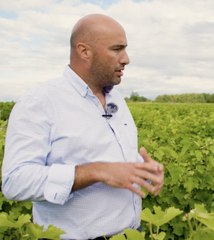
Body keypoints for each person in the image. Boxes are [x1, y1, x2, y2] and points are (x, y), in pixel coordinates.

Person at [1, 14, 164, 239]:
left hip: (131, 233)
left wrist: (144, 172)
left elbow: (111, 160)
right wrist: (95, 172)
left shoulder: (117, 98)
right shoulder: (40, 101)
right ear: (84, 51)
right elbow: (15, 181)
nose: (126, 59)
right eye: (117, 49)